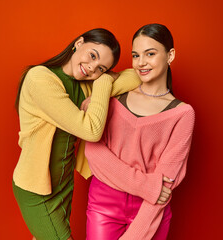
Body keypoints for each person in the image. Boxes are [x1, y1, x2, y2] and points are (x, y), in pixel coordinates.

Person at [12, 28, 141, 240]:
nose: (91, 68)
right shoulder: (40, 79)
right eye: (92, 55)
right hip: (37, 190)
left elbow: (135, 76)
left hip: (63, 185)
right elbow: (91, 130)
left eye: (101, 68)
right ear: (79, 43)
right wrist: (104, 82)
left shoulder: (85, 84)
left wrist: (102, 82)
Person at [84, 24, 196, 240]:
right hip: (103, 205)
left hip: (150, 212)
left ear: (170, 55)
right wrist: (147, 186)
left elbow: (165, 186)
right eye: (136, 55)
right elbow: (94, 153)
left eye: (150, 54)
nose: (141, 62)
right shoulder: (112, 100)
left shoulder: (183, 114)